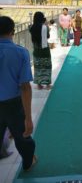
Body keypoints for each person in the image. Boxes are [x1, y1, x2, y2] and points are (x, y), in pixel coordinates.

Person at [0, 16, 36, 170]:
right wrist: (28, 117)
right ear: (12, 31)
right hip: (12, 104)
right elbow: (25, 87)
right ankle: (28, 162)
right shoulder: (20, 52)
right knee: (23, 136)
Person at [30, 12, 52, 90]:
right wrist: (45, 24)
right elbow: (48, 36)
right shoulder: (45, 27)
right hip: (45, 50)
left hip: (36, 50)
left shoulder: (31, 27)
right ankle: (47, 85)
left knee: (38, 67)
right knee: (47, 67)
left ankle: (39, 85)